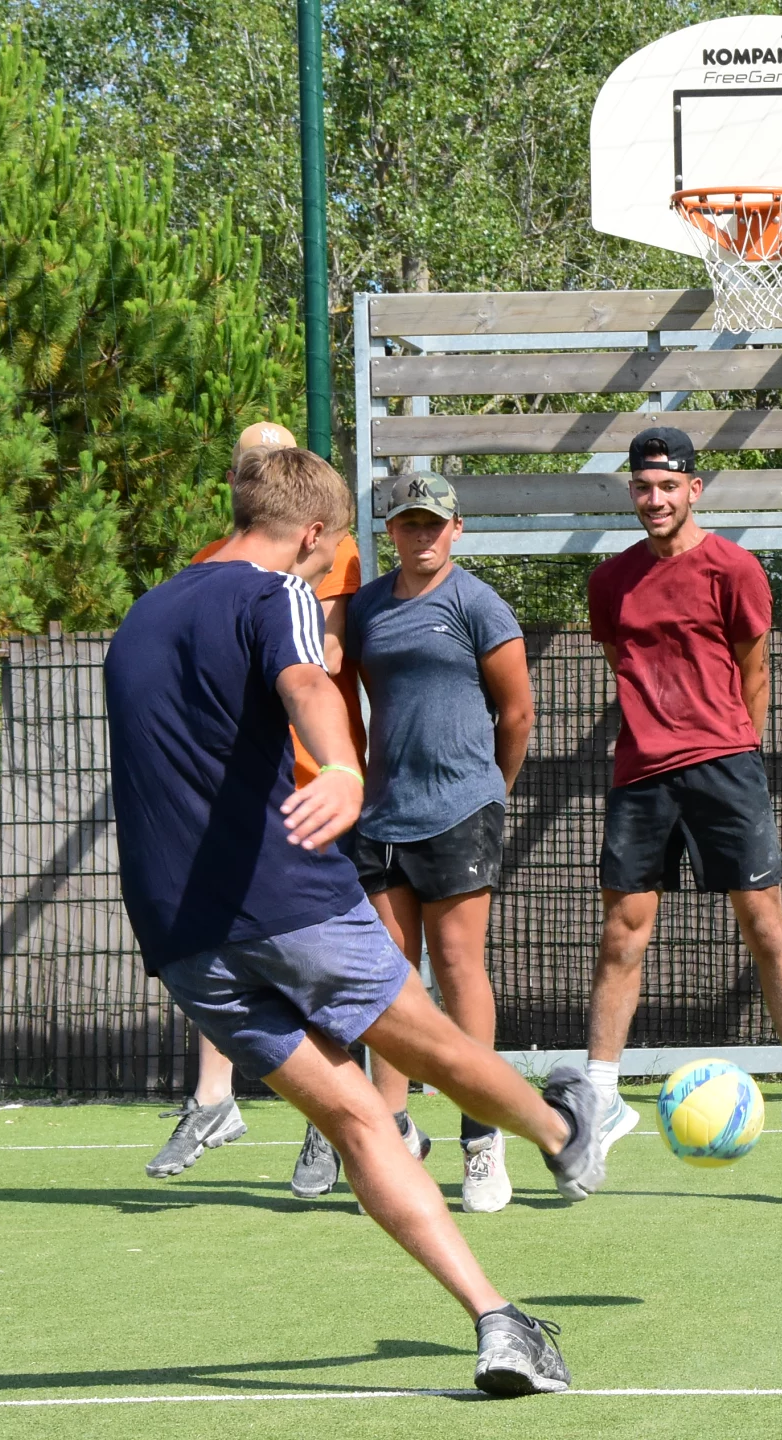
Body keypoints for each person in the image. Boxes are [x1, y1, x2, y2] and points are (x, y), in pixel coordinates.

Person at [104, 444, 606, 1395]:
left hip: (181, 940)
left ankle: (499, 1323)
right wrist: (340, 767)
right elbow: (307, 684)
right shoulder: (275, 594)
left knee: (360, 1121)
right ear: (314, 534)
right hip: (285, 897)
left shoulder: (143, 613)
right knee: (432, 1044)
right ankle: (560, 1128)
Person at [582, 426, 782, 1179]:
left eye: (668, 486)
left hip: (727, 768)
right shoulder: (609, 582)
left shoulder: (734, 568)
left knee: (766, 926)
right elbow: (622, 666)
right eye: (642, 487)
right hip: (640, 775)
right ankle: (600, 1101)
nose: (654, 499)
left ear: (694, 489)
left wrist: (740, 755)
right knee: (622, 936)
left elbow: (755, 672)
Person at [285, 473, 532, 1212]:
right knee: (387, 979)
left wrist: (489, 792)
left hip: (462, 811)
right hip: (382, 814)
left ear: (456, 529)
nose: (421, 534)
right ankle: (391, 1136)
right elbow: (323, 664)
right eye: (407, 523)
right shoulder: (364, 606)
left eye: (433, 523)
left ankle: (481, 1139)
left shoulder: (477, 603)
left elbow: (517, 713)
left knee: (457, 968)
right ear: (389, 532)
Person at [148, 420, 368, 1181]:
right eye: (251, 463)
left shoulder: (328, 547)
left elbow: (321, 658)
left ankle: (331, 1119)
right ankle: (214, 1099)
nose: (261, 470)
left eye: (274, 460)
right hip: (233, 791)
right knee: (217, 941)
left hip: (312, 780)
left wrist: (342, 767)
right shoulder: (210, 562)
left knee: (317, 961)